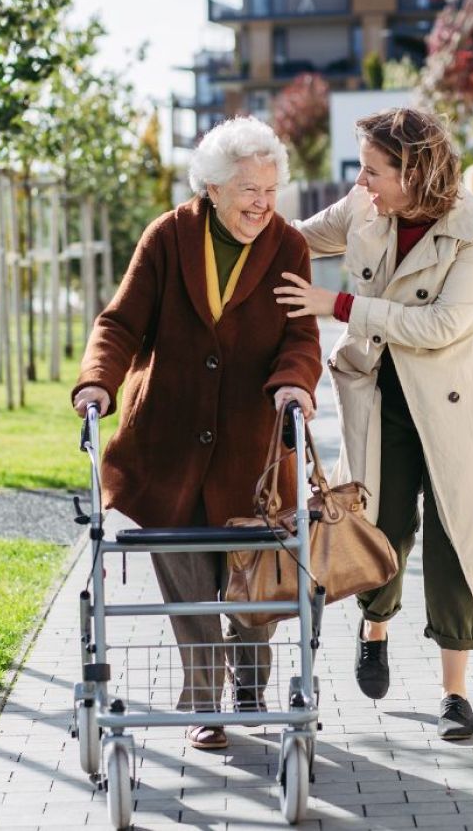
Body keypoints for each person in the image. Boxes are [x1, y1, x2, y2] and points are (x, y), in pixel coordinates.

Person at [275, 107, 473, 740]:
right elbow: (295, 237)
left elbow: (443, 326)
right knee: (382, 526)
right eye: (362, 170)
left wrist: (337, 304)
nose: (362, 183)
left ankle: (455, 693)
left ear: (415, 170)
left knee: (458, 539)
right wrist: (235, 210)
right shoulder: (365, 207)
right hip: (382, 395)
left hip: (462, 403)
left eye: (373, 171)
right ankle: (375, 628)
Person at [71, 116, 322, 750]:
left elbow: (301, 336)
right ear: (211, 187)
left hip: (251, 455)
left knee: (251, 593)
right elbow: (121, 323)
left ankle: (250, 687)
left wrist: (295, 381)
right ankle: (207, 703)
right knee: (189, 594)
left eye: (270, 190)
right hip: (168, 449)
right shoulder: (167, 237)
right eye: (248, 191)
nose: (262, 204)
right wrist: (98, 381)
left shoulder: (289, 246)